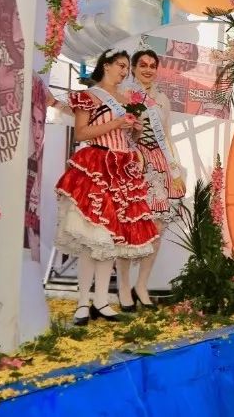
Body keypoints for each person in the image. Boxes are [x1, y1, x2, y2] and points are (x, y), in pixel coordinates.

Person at [54, 49, 159, 325]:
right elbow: (81, 133)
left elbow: (133, 137)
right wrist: (116, 122)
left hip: (122, 169)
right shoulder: (88, 96)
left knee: (109, 241)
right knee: (92, 239)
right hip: (97, 165)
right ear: (106, 65)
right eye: (121, 66)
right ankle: (81, 302)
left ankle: (101, 300)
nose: (125, 72)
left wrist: (134, 129)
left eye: (127, 67)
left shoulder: (127, 100)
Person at [116, 49, 187, 311]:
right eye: (143, 64)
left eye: (153, 65)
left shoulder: (162, 99)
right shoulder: (122, 94)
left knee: (156, 228)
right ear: (133, 67)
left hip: (158, 165)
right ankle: (123, 286)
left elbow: (167, 137)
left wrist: (175, 172)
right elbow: (117, 132)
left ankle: (141, 285)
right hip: (131, 164)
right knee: (128, 227)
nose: (148, 69)